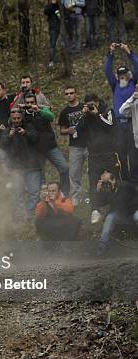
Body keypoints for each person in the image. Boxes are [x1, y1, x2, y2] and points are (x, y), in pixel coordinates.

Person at [76, 93, 119, 224]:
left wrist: (97, 115)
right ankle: (95, 210)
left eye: (92, 104)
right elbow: (77, 131)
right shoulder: (86, 115)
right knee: (94, 182)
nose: (90, 107)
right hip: (94, 154)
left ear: (97, 102)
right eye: (88, 105)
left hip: (108, 153)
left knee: (113, 181)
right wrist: (84, 114)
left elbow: (111, 126)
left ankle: (115, 208)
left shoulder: (107, 110)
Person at [22, 93, 70, 196]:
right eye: (28, 103)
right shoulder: (22, 115)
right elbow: (12, 121)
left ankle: (64, 193)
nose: (30, 104)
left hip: (49, 146)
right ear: (24, 103)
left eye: (32, 102)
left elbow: (51, 117)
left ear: (36, 102)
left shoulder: (42, 110)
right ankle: (43, 200)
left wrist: (39, 110)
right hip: (35, 149)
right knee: (40, 176)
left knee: (64, 167)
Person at [104, 43, 138, 180]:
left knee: (134, 152)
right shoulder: (115, 85)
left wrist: (128, 52)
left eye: (124, 74)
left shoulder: (132, 82)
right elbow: (107, 70)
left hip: (132, 123)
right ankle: (124, 178)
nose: (122, 76)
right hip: (119, 125)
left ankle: (135, 176)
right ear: (117, 76)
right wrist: (110, 53)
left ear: (129, 75)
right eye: (120, 74)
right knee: (121, 152)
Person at [0, 108, 41, 215]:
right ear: (11, 119)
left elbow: (36, 138)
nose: (16, 120)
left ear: (21, 117)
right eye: (14, 119)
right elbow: (2, 146)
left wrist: (25, 133)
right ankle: (21, 216)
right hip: (16, 167)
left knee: (34, 192)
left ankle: (30, 213)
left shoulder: (29, 127)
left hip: (32, 165)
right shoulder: (7, 131)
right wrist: (9, 136)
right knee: (19, 193)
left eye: (18, 118)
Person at [58, 86, 88, 206]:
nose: (69, 95)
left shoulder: (83, 107)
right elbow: (61, 130)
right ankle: (75, 196)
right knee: (74, 173)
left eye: (71, 93)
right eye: (67, 94)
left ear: (76, 94)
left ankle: (93, 194)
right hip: (75, 146)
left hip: (88, 143)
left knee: (92, 170)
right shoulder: (64, 112)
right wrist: (68, 131)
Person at [97, 175, 138, 254]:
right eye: (104, 183)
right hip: (123, 215)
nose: (106, 185)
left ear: (113, 180)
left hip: (133, 212)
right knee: (110, 218)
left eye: (107, 183)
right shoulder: (111, 190)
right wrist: (99, 191)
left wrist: (108, 192)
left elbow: (119, 203)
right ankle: (103, 244)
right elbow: (100, 203)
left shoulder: (124, 186)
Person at [119, 84, 138, 180]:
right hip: (136, 142)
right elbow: (122, 111)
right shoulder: (134, 103)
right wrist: (132, 98)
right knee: (134, 165)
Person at [44, 0, 62, 66]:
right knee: (52, 44)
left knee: (60, 44)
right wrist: (52, 4)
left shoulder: (60, 6)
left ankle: (59, 59)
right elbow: (45, 12)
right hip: (53, 27)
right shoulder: (49, 6)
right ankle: (51, 60)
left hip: (61, 27)